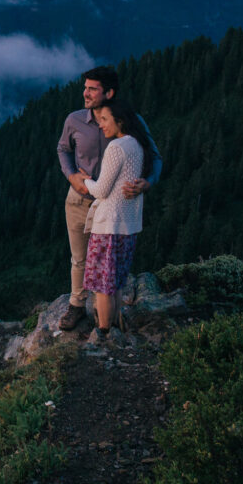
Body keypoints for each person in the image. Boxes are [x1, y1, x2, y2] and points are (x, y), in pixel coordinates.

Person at [56, 66, 162, 331]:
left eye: (92, 89)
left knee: (107, 264)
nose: (85, 93)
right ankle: (77, 305)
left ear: (109, 92)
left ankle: (105, 321)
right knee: (80, 258)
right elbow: (63, 149)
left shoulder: (129, 121)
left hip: (113, 206)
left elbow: (156, 156)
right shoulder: (75, 120)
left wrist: (147, 183)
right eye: (85, 87)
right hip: (81, 198)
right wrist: (71, 176)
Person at [81, 98, 155, 332]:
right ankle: (117, 326)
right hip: (128, 226)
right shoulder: (138, 145)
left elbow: (101, 190)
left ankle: (104, 334)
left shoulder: (117, 147)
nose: (101, 125)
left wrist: (85, 180)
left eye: (104, 119)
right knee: (117, 282)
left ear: (119, 121)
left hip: (108, 226)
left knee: (103, 286)